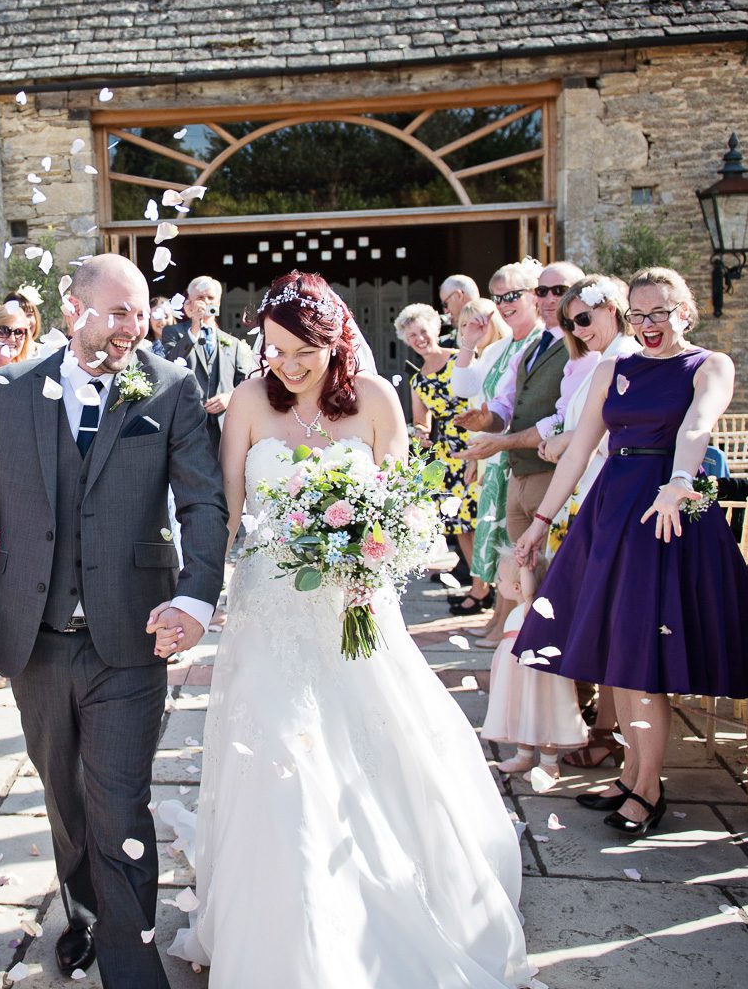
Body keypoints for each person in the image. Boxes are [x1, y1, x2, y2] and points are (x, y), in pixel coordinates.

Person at [166, 269, 530, 987]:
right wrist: (196, 595)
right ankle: (282, 934)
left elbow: (400, 511)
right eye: (272, 350)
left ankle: (387, 910)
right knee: (280, 761)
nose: (287, 364)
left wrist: (369, 555)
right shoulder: (245, 402)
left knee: (375, 749)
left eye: (302, 349)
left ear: (336, 341)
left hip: (357, 608)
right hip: (271, 610)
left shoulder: (376, 401)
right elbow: (227, 514)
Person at [0, 254, 227, 984]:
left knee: (120, 802)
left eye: (142, 311)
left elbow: (201, 502)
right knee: (64, 796)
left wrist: (197, 598)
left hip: (131, 633)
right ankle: (87, 914)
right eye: (121, 311)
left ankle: (133, 969)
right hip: (31, 638)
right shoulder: (9, 391)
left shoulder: (169, 388)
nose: (138, 325)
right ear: (75, 309)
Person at [513, 267, 748, 838]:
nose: (647, 325)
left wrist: (680, 480)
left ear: (685, 311)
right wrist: (542, 522)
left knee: (643, 661)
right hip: (609, 513)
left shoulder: (710, 365)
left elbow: (696, 427)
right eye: (638, 314)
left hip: (665, 515)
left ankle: (648, 789)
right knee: (619, 653)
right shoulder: (612, 369)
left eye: (659, 313)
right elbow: (576, 454)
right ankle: (631, 776)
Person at [483, 276, 635, 780]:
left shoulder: (626, 357)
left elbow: (602, 430)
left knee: (610, 619)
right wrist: (552, 441)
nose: (578, 329)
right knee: (589, 614)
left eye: (584, 319)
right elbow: (572, 423)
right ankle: (592, 730)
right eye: (572, 324)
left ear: (613, 308)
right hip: (580, 497)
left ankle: (606, 731)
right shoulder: (592, 361)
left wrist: (565, 441)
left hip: (609, 498)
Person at [445, 260, 542, 613]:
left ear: (534, 295)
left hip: (524, 451)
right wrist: (468, 343)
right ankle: (501, 617)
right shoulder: (499, 350)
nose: (504, 303)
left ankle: (509, 618)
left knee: (515, 538)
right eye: (498, 297)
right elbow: (464, 386)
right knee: (499, 536)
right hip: (494, 450)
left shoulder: (543, 341)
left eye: (513, 295)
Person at [398, 302, 478, 578]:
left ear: (435, 328)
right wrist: (419, 433)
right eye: (412, 336)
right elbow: (422, 420)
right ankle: (479, 587)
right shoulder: (417, 381)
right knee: (459, 522)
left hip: (475, 439)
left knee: (480, 515)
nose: (419, 339)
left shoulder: (461, 358)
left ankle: (492, 585)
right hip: (447, 450)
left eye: (423, 331)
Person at [160, 275, 257, 449]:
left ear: (218, 303)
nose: (205, 303)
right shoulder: (173, 332)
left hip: (224, 427)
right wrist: (195, 328)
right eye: (200, 298)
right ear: (188, 303)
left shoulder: (232, 342)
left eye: (210, 298)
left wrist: (230, 397)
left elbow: (245, 381)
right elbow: (171, 363)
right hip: (187, 425)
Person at [439, 273, 479, 346]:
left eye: (445, 304)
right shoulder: (447, 343)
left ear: (458, 296)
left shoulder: (492, 330)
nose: (445, 311)